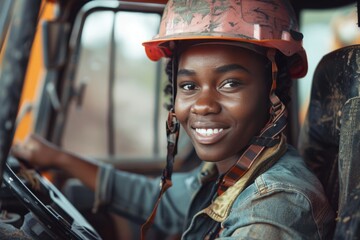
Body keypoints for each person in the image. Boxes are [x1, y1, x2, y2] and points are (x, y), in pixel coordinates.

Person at [12, 0, 335, 239]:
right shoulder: (222, 175)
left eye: (230, 83)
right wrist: (53, 157)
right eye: (189, 86)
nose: (203, 105)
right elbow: (161, 203)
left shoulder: (274, 207)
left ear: (273, 92)